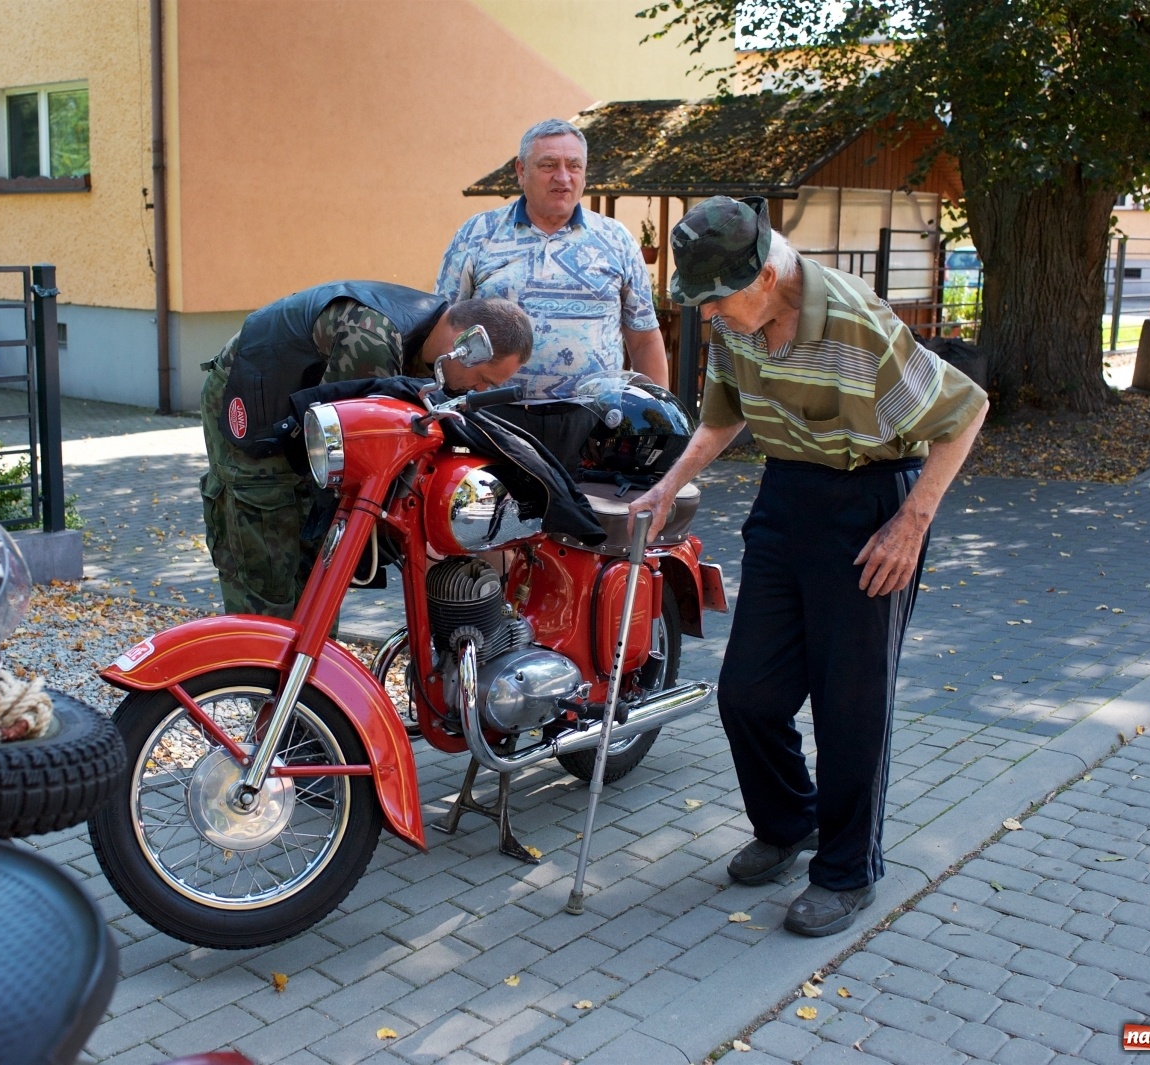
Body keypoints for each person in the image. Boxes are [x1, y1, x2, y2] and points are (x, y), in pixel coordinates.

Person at [628, 197, 988, 937]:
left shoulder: (859, 323)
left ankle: (848, 870)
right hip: (787, 497)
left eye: (717, 301)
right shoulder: (738, 318)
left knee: (850, 704)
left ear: (766, 275)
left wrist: (912, 523)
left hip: (868, 511)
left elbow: (965, 410)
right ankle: (791, 820)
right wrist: (667, 485)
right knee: (748, 693)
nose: (710, 317)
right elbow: (724, 416)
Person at [199, 284, 532, 617]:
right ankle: (257, 659)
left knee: (318, 562)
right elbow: (355, 447)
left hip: (303, 410)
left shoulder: (433, 339)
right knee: (264, 539)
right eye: (485, 378)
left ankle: (311, 659)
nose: (481, 390)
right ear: (465, 345)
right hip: (252, 400)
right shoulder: (372, 337)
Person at [436, 118, 670, 472]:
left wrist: (659, 421)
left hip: (596, 425)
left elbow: (644, 340)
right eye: (548, 166)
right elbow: (443, 330)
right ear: (521, 170)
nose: (563, 177)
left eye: (573, 166)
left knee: (590, 523)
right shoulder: (477, 235)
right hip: (495, 421)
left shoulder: (616, 240)